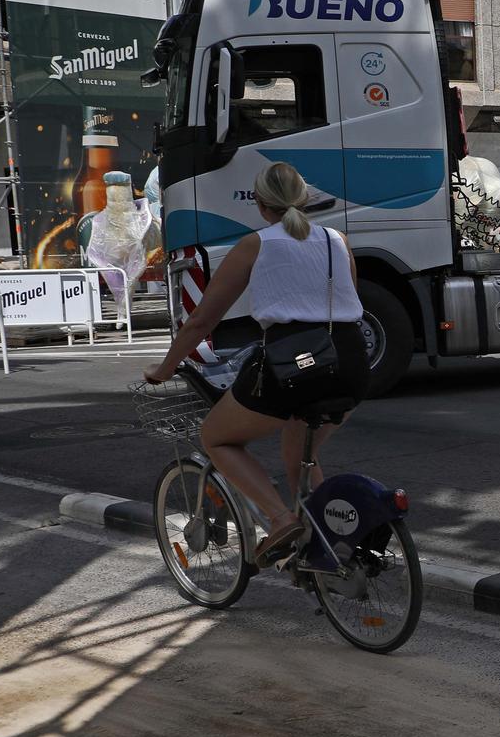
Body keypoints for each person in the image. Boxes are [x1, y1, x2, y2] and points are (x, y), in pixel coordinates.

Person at [145, 162, 369, 565]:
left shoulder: (256, 244)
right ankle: (329, 550)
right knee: (303, 453)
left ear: (261, 204)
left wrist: (164, 368)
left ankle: (280, 520)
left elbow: (203, 320)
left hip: (292, 364)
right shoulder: (338, 239)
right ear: (304, 198)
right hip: (349, 360)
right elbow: (343, 304)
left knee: (217, 436)